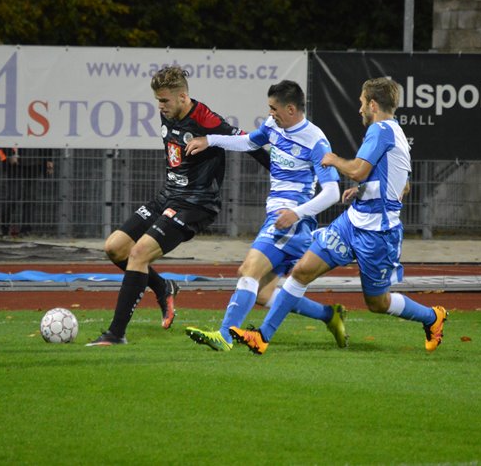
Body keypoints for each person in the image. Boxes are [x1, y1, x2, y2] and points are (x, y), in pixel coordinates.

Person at [229, 77, 447, 355]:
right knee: (302, 271)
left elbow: (357, 170)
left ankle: (432, 316)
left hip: (378, 234)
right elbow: (402, 183)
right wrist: (362, 191)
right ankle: (262, 337)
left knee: (377, 303)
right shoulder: (395, 132)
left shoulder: (381, 130)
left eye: (362, 103)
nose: (359, 109)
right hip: (351, 223)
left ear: (373, 104)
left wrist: (333, 160)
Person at [86, 66, 271, 346]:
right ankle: (163, 287)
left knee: (138, 253)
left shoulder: (206, 119)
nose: (160, 106)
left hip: (195, 203)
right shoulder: (168, 112)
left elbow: (249, 143)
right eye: (158, 100)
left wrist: (281, 174)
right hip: (168, 196)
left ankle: (115, 334)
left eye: (164, 100)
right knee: (115, 247)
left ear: (183, 97)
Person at [183, 80, 349, 352]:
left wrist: (296, 213)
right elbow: (248, 142)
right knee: (262, 293)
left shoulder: (316, 141)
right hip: (280, 218)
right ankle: (329, 315)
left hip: (290, 222)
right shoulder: (273, 126)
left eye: (274, 108)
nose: (270, 113)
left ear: (291, 109)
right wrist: (209, 140)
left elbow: (332, 192)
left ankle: (224, 336)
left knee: (249, 270)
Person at [0, 147, 54, 237]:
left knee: (30, 198)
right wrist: (9, 155)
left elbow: (46, 142)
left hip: (35, 164)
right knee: (13, 197)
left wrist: (49, 160)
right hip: (15, 165)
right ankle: (3, 225)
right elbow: (1, 144)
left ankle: (26, 230)